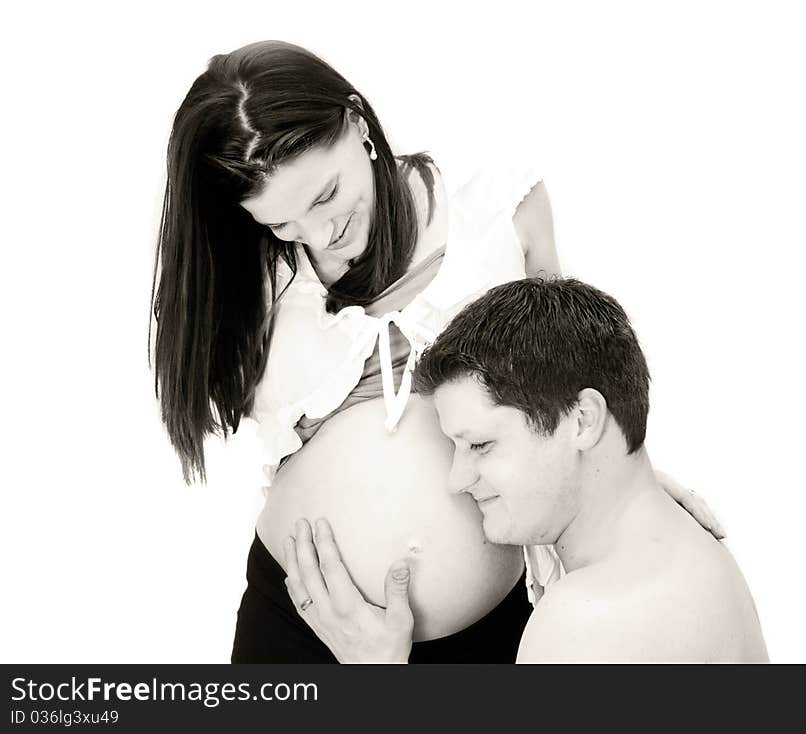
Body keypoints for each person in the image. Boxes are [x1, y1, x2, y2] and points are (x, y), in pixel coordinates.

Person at [152, 40, 721, 663]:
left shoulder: (494, 210)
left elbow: (570, 376)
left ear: (357, 124)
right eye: (282, 226)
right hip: (306, 620)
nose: (320, 237)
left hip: (488, 626)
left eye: (324, 196)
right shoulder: (251, 287)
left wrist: (629, 482)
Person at [282, 278, 768, 662]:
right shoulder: (684, 542)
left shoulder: (585, 621)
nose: (457, 479)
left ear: (583, 421)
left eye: (482, 444)